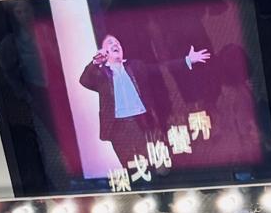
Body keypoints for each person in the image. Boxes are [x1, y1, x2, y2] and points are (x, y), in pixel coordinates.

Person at [78, 33, 210, 169]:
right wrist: (95, 62)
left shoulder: (135, 66)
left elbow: (160, 68)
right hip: (119, 128)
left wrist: (187, 60)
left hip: (143, 121)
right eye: (110, 43)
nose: (115, 44)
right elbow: (84, 81)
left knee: (160, 164)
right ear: (103, 51)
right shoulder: (101, 75)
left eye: (117, 42)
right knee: (134, 168)